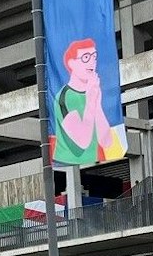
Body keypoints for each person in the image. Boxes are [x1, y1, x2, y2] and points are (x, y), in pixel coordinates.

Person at [50, 37, 121, 165]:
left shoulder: (92, 91)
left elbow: (106, 141)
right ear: (71, 63)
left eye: (94, 56)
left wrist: (96, 103)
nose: (92, 62)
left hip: (93, 161)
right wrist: (90, 101)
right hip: (68, 165)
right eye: (86, 57)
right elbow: (82, 141)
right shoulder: (64, 97)